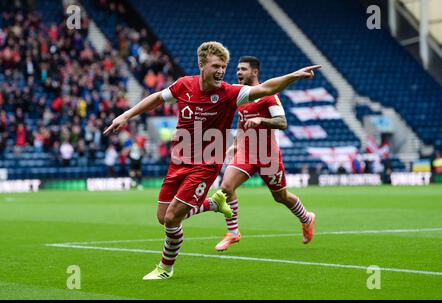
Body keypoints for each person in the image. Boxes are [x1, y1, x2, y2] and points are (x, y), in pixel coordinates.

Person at [104, 41, 320, 280]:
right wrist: (126, 115)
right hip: (179, 162)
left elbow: (267, 89)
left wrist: (294, 76)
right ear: (201, 65)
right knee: (162, 217)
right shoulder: (183, 85)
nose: (222, 71)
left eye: (224, 67)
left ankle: (165, 268)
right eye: (216, 66)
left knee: (173, 218)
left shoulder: (231, 93)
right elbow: (157, 98)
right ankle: (213, 205)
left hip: (207, 164)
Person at [201, 56, 316, 251]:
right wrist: (235, 144)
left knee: (280, 197)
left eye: (243, 69)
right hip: (246, 152)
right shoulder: (242, 96)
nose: (238, 72)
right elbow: (241, 121)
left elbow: (282, 122)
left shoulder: (268, 96)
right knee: (226, 187)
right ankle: (233, 233)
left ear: (254, 72)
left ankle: (307, 218)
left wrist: (261, 121)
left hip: (268, 155)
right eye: (237, 69)